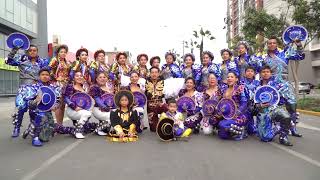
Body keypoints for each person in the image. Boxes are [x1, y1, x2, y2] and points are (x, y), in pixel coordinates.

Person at [259, 36, 304, 137]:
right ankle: (277, 129)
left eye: (274, 43)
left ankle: (293, 128)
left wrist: (299, 45)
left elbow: (300, 56)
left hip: (285, 85)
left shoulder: (285, 53)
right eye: (269, 43)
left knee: (292, 106)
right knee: (275, 109)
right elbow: (259, 71)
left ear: (277, 44)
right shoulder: (264, 58)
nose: (271, 45)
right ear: (267, 45)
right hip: (272, 87)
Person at [5, 44, 49, 137]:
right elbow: (8, 61)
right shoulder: (22, 60)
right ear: (28, 52)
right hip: (24, 88)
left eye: (34, 50)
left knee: (34, 110)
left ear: (37, 52)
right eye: (30, 50)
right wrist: (15, 49)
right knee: (20, 108)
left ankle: (33, 129)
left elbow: (47, 74)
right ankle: (16, 128)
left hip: (36, 89)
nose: (32, 52)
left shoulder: (42, 63)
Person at [255, 65, 293, 146]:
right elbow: (252, 103)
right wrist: (260, 105)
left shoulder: (276, 85)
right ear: (260, 74)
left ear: (270, 73)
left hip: (274, 109)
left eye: (267, 72)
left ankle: (283, 137)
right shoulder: (256, 86)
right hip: (263, 113)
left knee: (286, 116)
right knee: (265, 137)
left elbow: (283, 99)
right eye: (263, 72)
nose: (265, 73)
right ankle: (278, 127)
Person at [21, 68, 60, 146]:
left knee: (45, 137)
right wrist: (35, 101)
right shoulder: (33, 87)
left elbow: (58, 100)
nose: (45, 76)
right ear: (39, 76)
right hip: (36, 111)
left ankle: (30, 128)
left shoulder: (54, 87)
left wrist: (55, 106)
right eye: (42, 75)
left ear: (49, 76)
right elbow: (27, 101)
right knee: (40, 117)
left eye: (47, 75)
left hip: (48, 112)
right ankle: (35, 138)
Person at [218, 72, 248, 140]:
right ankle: (235, 132)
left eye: (232, 77)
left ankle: (242, 131)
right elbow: (222, 104)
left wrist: (237, 113)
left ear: (236, 79)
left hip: (240, 115)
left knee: (222, 124)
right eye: (228, 77)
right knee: (222, 135)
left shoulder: (240, 88)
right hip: (227, 115)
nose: (229, 78)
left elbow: (244, 103)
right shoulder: (224, 90)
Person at [63, 71, 92, 139]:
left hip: (81, 110)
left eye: (81, 76)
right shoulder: (70, 86)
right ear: (73, 78)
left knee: (88, 115)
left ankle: (76, 126)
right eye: (77, 76)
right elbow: (66, 98)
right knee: (87, 114)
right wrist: (74, 107)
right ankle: (77, 131)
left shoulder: (84, 87)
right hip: (72, 110)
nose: (79, 77)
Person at [49, 44, 71, 125]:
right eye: (61, 52)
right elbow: (49, 70)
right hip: (57, 84)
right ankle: (58, 125)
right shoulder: (55, 60)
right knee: (58, 104)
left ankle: (60, 124)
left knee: (63, 105)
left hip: (65, 85)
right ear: (58, 53)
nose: (63, 53)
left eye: (65, 52)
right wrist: (56, 78)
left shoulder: (66, 62)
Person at [145, 67, 167, 132]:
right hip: (150, 106)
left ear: (159, 73)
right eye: (152, 72)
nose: (154, 74)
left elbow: (168, 94)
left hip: (160, 104)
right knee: (153, 129)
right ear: (149, 73)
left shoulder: (163, 82)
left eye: (156, 72)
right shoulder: (145, 82)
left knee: (163, 126)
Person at [242, 66, 260, 135]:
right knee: (250, 130)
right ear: (245, 73)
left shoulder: (258, 83)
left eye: (251, 71)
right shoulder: (241, 82)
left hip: (256, 104)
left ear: (254, 73)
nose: (249, 73)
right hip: (245, 104)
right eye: (248, 71)